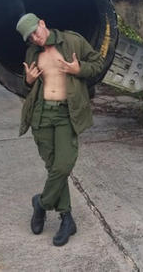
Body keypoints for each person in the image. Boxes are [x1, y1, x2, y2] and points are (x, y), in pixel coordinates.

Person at [15, 13, 104, 247]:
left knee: (63, 165)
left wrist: (78, 69)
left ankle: (41, 204)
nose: (35, 38)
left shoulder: (72, 41)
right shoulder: (32, 53)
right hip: (42, 115)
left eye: (36, 31)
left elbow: (98, 63)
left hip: (66, 114)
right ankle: (67, 219)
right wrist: (28, 81)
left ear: (42, 23)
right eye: (30, 37)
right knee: (54, 167)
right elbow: (27, 85)